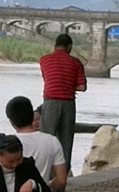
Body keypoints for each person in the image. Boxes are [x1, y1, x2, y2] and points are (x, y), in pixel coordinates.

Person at [35, 32, 87, 165]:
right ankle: (63, 175)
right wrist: (69, 86)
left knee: (46, 139)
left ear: (54, 46)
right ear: (69, 47)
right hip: (68, 104)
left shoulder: (44, 60)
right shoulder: (76, 63)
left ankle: (44, 171)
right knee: (65, 141)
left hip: (50, 103)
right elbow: (82, 87)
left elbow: (49, 79)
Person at [4, 96, 69, 190]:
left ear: (11, 121)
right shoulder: (52, 141)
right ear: (32, 116)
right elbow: (61, 180)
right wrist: (43, 187)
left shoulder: (7, 144)